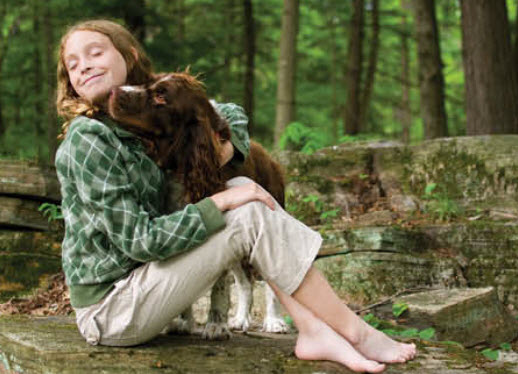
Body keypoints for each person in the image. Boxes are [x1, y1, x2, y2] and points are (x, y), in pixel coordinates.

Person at [55, 19, 416, 373]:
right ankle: (354, 332)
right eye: (73, 64)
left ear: (128, 56)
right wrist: (218, 204)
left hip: (146, 284)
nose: (84, 65)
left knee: (242, 189)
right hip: (112, 310)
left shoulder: (144, 108)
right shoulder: (89, 138)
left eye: (95, 52)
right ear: (70, 83)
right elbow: (140, 240)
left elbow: (226, 113)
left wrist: (226, 149)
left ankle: (314, 329)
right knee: (241, 205)